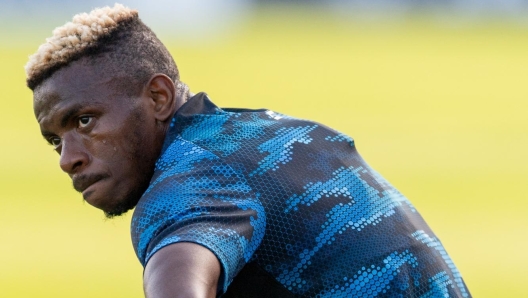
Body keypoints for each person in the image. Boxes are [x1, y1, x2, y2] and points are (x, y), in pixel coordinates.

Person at [26, 4, 471, 298]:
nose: (69, 159)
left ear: (159, 98)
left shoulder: (188, 187)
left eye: (84, 121)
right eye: (55, 140)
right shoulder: (292, 133)